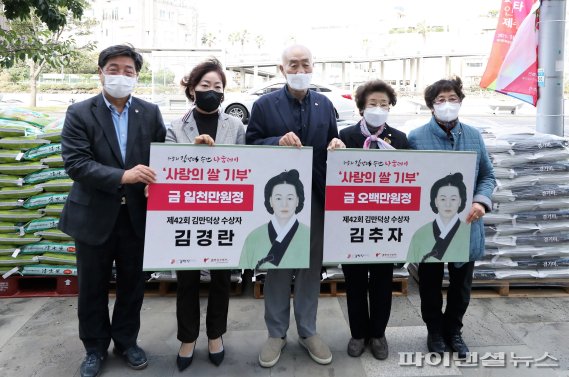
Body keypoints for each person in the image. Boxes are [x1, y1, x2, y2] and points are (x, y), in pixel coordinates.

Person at [59, 45, 166, 377]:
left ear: (137, 75)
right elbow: (76, 164)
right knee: (92, 286)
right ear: (101, 72)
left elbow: (161, 156)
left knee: (133, 285)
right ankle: (94, 348)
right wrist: (124, 175)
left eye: (129, 70)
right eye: (114, 68)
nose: (121, 75)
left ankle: (126, 341)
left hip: (136, 215)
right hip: (94, 214)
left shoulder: (149, 112)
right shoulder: (80, 112)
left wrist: (155, 180)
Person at [246, 44, 345, 367]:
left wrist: (336, 143)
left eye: (305, 64)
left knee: (309, 266)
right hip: (279, 202)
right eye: (293, 65)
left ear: (313, 66)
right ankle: (276, 333)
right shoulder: (264, 105)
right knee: (277, 265)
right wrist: (276, 141)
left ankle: (307, 330)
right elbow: (251, 144)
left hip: (314, 196)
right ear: (281, 69)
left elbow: (333, 141)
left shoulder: (324, 103)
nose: (300, 70)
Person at [165, 58, 245, 371]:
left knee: (222, 279)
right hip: (186, 214)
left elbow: (243, 166)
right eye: (205, 86)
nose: (211, 92)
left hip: (224, 214)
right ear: (192, 89)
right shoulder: (175, 126)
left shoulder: (235, 126)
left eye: (217, 87)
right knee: (186, 279)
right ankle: (187, 337)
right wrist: (193, 154)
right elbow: (168, 165)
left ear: (224, 93)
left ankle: (215, 335)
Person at [407, 77, 495, 358]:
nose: (447, 104)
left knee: (461, 284)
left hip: (467, 222)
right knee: (430, 282)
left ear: (460, 101)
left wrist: (481, 202)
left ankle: (453, 330)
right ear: (431, 106)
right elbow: (409, 179)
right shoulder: (416, 137)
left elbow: (486, 175)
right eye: (441, 100)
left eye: (453, 99)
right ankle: (434, 330)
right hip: (430, 225)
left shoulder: (473, 135)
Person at [338, 80, 409, 360]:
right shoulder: (344, 136)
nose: (378, 109)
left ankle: (378, 334)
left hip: (385, 223)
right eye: (372, 104)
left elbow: (410, 180)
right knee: (354, 281)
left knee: (382, 280)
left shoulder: (400, 140)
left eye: (384, 104)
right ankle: (358, 334)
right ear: (361, 108)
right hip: (353, 223)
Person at [239, 169, 310, 270]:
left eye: (289, 198)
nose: (284, 204)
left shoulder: (309, 235)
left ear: (298, 200)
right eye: (278, 198)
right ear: (270, 201)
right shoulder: (253, 237)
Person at [408, 173, 471, 263]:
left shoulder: (468, 231)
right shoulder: (420, 234)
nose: (448, 204)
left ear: (460, 201)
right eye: (443, 199)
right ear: (435, 201)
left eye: (453, 199)